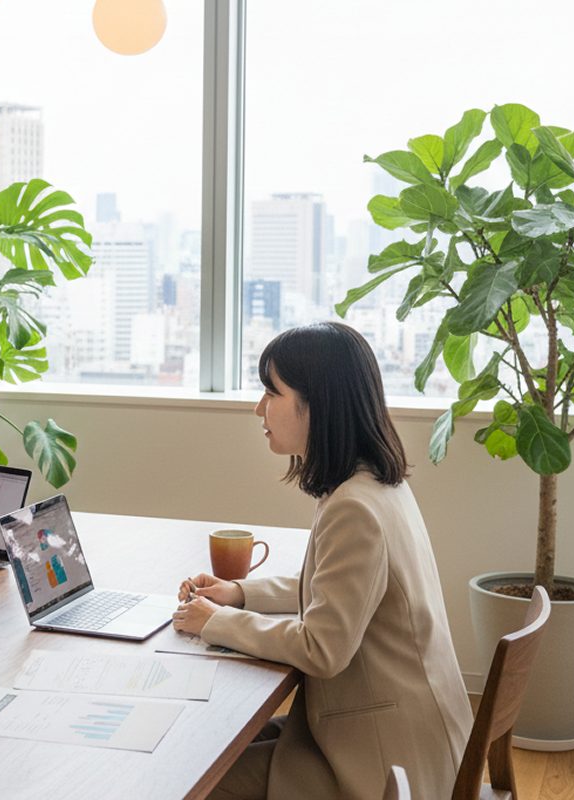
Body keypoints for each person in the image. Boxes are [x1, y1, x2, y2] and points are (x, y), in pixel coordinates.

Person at [172, 322, 471, 800]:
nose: (258, 408)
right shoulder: (375, 483)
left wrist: (218, 621)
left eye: (272, 392)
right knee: (212, 747)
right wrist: (242, 593)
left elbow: (321, 649)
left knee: (192, 779)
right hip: (403, 730)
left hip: (382, 760)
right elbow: (336, 587)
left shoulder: (354, 506)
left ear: (319, 403)